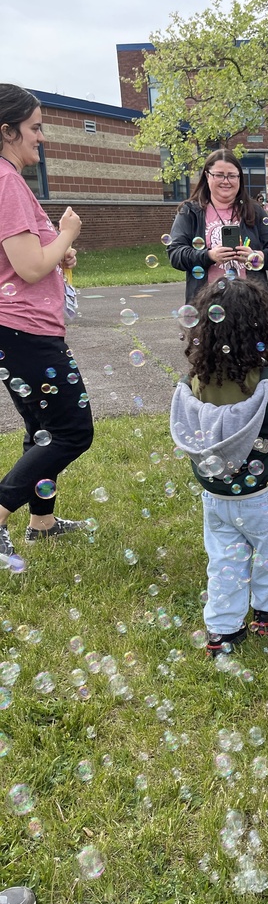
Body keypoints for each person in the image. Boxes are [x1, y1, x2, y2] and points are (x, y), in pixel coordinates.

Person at [170, 279, 268, 650]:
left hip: (215, 494)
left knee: (223, 560)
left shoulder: (194, 381)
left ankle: (223, 629)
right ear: (261, 329)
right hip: (259, 494)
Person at [0, 84, 93, 559]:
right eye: (34, 128)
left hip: (18, 329)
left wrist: (57, 249)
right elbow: (31, 267)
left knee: (41, 428)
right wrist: (67, 232)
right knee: (73, 431)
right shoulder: (7, 182)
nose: (41, 136)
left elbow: (29, 258)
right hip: (26, 331)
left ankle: (43, 521)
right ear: (8, 131)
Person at [167, 148, 268, 305]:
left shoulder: (255, 211)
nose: (226, 181)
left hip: (251, 306)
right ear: (207, 176)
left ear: (239, 178)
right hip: (206, 306)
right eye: (219, 175)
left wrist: (255, 256)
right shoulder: (190, 211)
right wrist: (209, 256)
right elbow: (175, 254)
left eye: (232, 176)